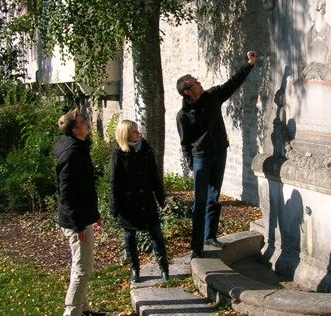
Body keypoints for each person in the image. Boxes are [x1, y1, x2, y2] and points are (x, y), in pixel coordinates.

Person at [176, 50, 258, 258]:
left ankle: (210, 236)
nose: (199, 83)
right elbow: (185, 143)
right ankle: (197, 247)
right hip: (201, 159)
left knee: (214, 197)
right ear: (187, 91)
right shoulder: (183, 115)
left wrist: (248, 65)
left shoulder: (212, 96)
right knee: (200, 202)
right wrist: (191, 166)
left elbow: (232, 84)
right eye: (195, 82)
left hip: (219, 153)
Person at [54, 108, 107, 316]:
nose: (87, 123)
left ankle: (83, 308)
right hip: (75, 221)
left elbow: (84, 188)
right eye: (83, 121)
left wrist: (93, 216)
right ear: (76, 129)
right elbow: (66, 192)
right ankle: (71, 312)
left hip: (82, 216)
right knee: (82, 266)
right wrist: (77, 226)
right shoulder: (72, 153)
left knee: (82, 264)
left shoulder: (77, 147)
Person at [110, 120, 169, 282]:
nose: (139, 134)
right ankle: (135, 269)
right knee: (129, 236)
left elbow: (153, 175)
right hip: (128, 203)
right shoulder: (118, 152)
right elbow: (114, 181)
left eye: (138, 131)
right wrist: (114, 207)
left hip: (146, 200)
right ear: (126, 135)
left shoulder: (145, 148)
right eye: (135, 132)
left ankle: (164, 268)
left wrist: (161, 198)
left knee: (156, 233)